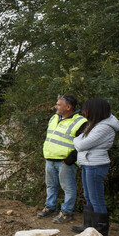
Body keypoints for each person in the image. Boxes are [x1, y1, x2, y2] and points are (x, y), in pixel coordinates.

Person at [71, 98, 119, 236]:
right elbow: (81, 140)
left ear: (94, 110)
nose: (84, 112)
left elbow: (80, 144)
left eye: (86, 109)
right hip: (88, 163)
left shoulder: (104, 127)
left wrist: (77, 141)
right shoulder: (95, 124)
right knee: (88, 197)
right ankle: (89, 228)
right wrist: (78, 140)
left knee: (96, 199)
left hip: (96, 165)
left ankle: (101, 235)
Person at [39, 95, 87, 223]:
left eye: (59, 105)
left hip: (65, 161)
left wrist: (71, 159)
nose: (56, 106)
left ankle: (66, 212)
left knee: (68, 188)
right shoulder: (54, 118)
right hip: (50, 158)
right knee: (50, 185)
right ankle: (50, 207)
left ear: (68, 107)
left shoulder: (80, 121)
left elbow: (84, 143)